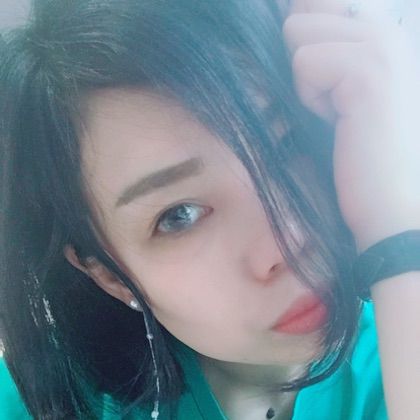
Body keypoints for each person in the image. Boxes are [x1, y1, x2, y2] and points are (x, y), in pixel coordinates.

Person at [1, 0, 419, 419]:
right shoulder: (40, 401)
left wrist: (397, 234)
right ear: (110, 275)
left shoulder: (400, 316)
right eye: (179, 215)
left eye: (288, 144)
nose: (290, 243)